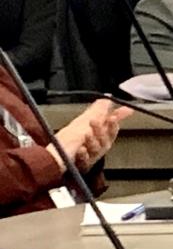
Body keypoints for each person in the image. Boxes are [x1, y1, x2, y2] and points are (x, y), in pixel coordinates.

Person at [1, 64, 132, 217]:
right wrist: (54, 157)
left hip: (66, 217)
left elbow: (31, 146)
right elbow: (50, 157)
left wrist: (77, 161)